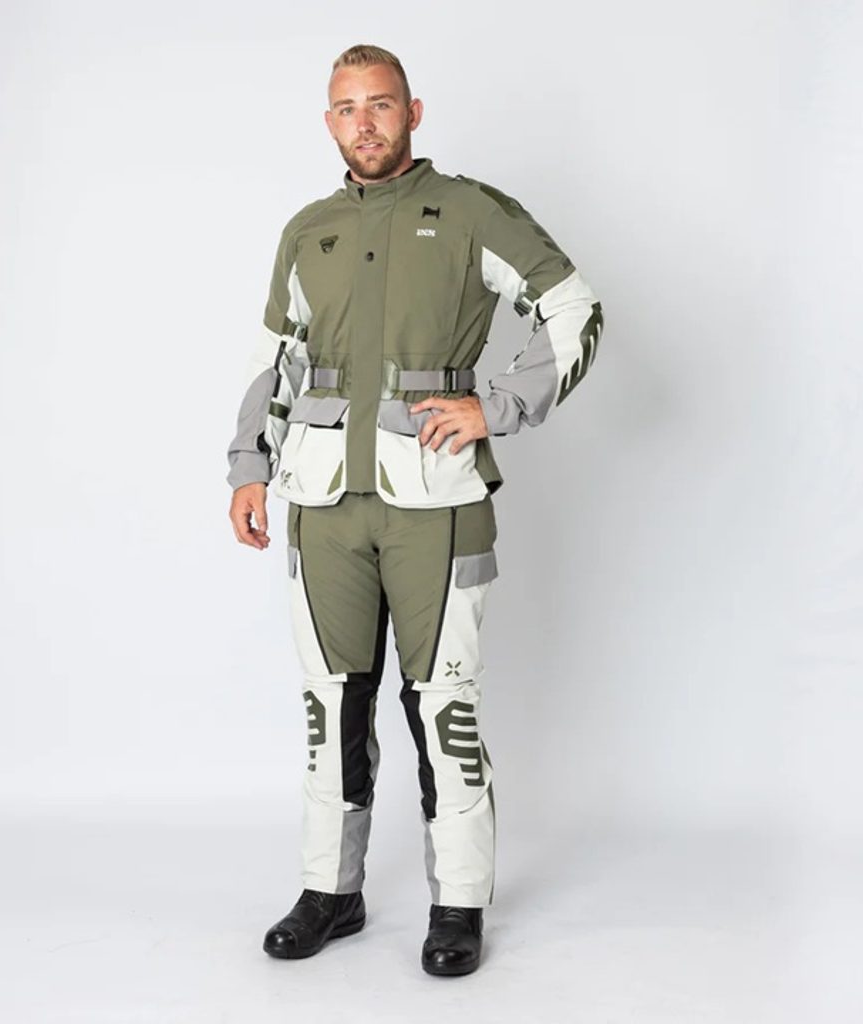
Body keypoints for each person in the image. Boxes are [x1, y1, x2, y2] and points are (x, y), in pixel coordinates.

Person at [226, 43, 604, 976]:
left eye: (381, 104)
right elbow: (277, 361)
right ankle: (331, 891)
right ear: (330, 122)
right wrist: (248, 467)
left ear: (413, 111)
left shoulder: (471, 212)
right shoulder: (306, 231)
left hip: (437, 504)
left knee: (444, 706)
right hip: (322, 505)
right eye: (347, 108)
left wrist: (497, 405)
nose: (365, 123)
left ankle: (458, 904)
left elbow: (573, 306)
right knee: (331, 703)